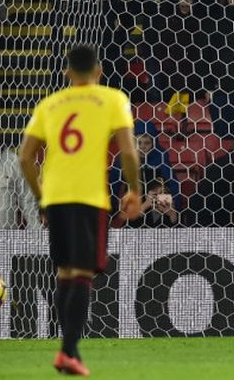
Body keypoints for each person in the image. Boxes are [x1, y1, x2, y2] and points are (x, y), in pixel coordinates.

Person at [18, 45, 141, 375]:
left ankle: (67, 349)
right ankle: (69, 351)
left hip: (56, 198)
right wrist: (133, 189)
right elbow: (129, 151)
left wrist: (41, 194)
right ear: (98, 70)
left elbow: (25, 156)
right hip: (89, 198)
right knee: (83, 274)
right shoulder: (113, 98)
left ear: (67, 73)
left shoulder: (50, 104)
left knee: (65, 273)